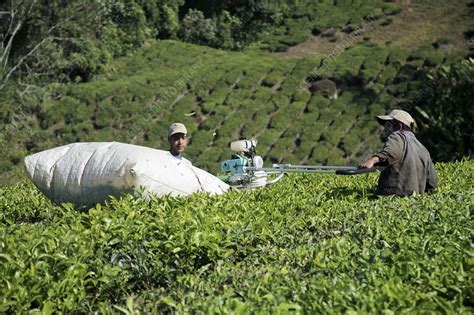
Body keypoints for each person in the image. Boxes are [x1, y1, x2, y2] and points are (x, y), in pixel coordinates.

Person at [358, 109, 438, 196]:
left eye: (388, 124)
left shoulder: (396, 135)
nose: (385, 128)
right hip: (413, 202)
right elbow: (432, 182)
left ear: (399, 126)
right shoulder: (423, 148)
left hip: (392, 199)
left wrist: (372, 160)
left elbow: (391, 152)